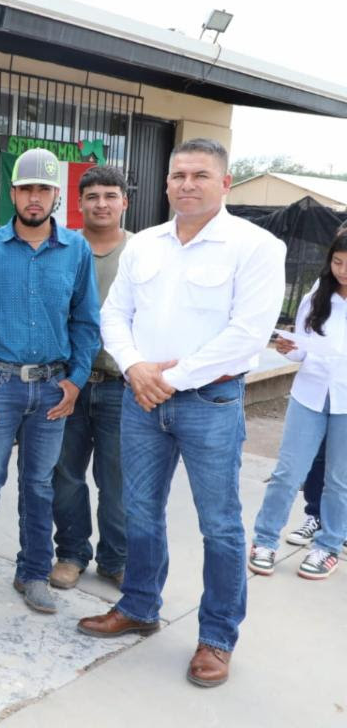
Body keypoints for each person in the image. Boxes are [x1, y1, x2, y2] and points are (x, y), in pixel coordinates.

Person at [79, 138, 286, 688]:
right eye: (178, 175)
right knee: (140, 512)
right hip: (142, 400)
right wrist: (134, 369)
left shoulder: (256, 246)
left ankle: (217, 637)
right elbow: (114, 314)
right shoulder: (145, 244)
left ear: (225, 184)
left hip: (209, 403)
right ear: (166, 183)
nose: (187, 184)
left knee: (220, 526)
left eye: (200, 175)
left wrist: (164, 378)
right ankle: (140, 607)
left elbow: (248, 333)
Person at [0, 148, 101, 618]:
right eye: (26, 189)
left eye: (44, 190)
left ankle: (33, 572)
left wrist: (75, 380)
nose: (35, 198)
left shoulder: (75, 250)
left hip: (52, 388)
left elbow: (85, 321)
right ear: (12, 193)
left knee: (39, 485)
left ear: (57, 196)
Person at [50, 165, 133, 590]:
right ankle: (70, 552)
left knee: (116, 479)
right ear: (78, 203)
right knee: (64, 474)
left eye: (110, 195)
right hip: (67, 385)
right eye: (93, 196)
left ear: (124, 202)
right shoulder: (62, 247)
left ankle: (116, 558)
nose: (101, 204)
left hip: (121, 386)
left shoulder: (141, 252)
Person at [248, 232, 347, 579]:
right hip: (309, 395)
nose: (342, 271)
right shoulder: (316, 298)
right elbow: (305, 347)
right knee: (288, 473)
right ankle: (264, 539)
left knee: (339, 479)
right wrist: (291, 348)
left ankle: (328, 546)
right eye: (337, 262)